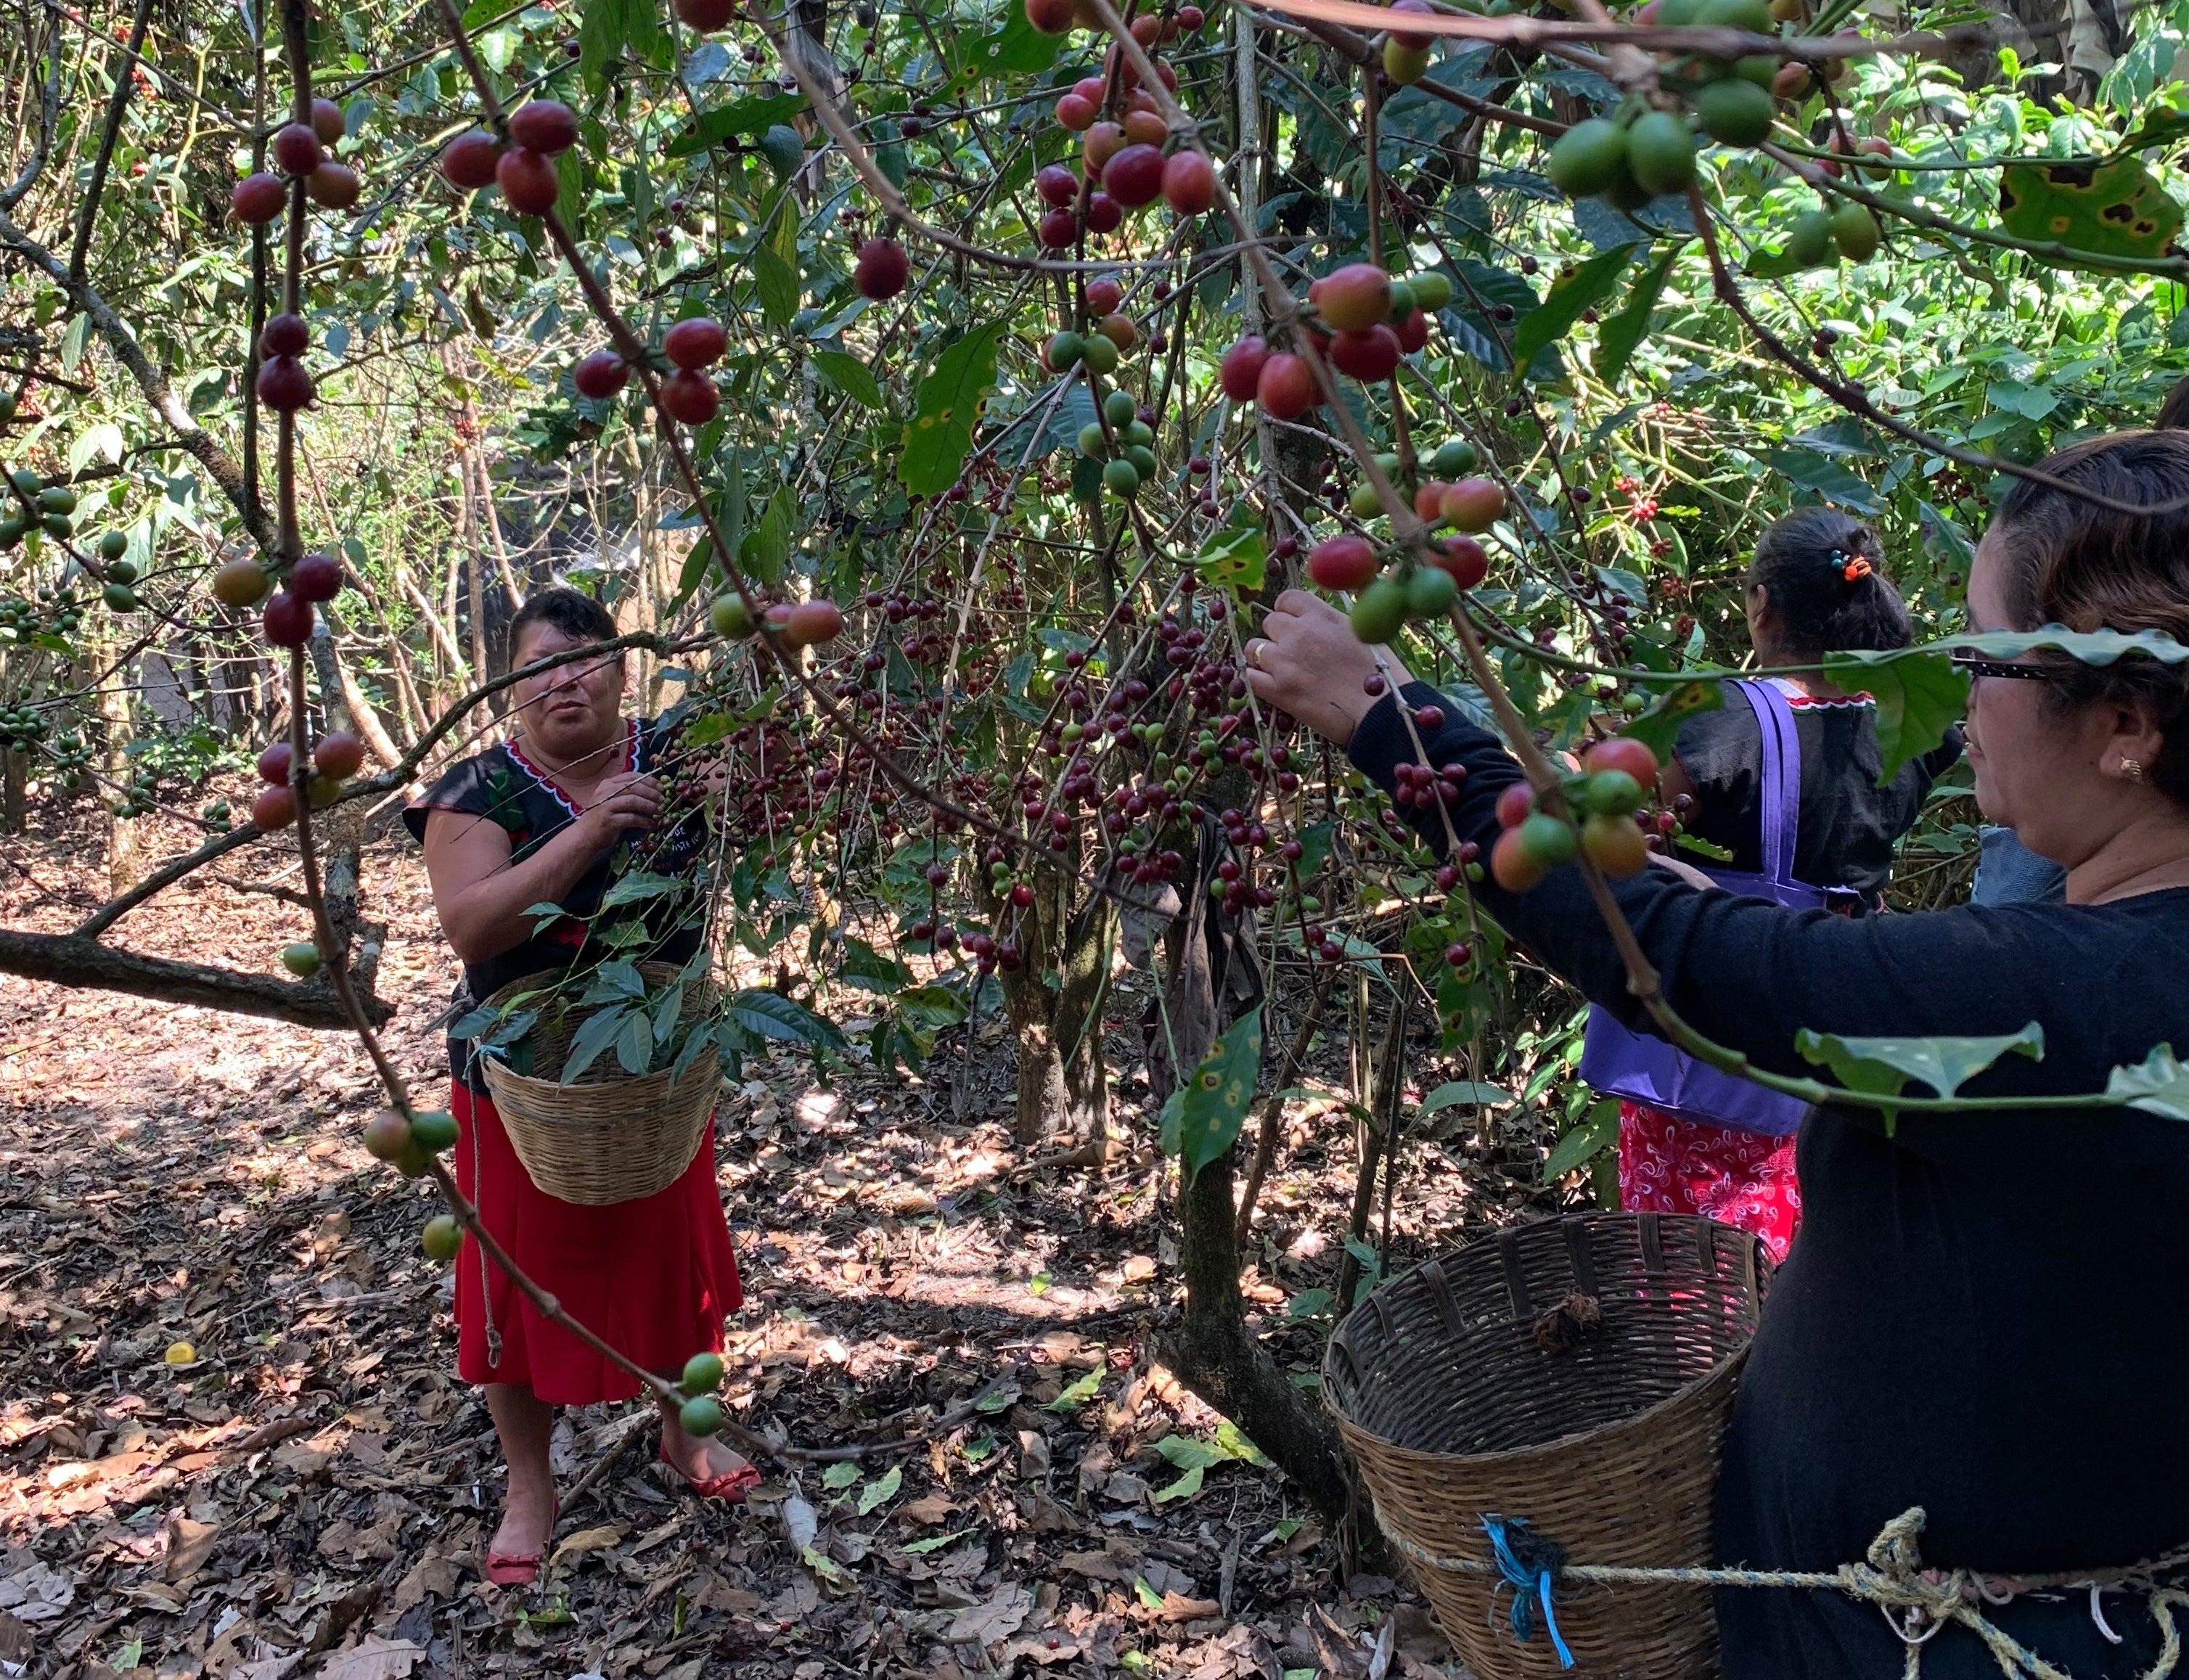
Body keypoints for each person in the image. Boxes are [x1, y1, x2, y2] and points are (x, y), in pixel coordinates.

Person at [1243, 429, 2189, 1679]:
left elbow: (1687, 952)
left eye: (1983, 650)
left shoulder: (2064, 1002)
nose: (1958, 685)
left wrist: (1388, 718)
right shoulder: (2103, 968)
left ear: (2123, 722)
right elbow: (1755, 938)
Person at [405, 587, 753, 1587]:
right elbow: (471, 924)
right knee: (510, 1278)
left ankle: (683, 1431)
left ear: (623, 668)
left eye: (586, 658)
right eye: (540, 665)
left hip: (657, 1071)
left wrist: (744, 772)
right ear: (508, 685)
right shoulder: (475, 789)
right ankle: (530, 1482)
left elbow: (773, 789)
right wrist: (592, 829)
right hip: (518, 1083)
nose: (565, 680)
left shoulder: (677, 753)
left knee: (670, 1261)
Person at [1602, 508, 1958, 1260]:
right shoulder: (1912, 721)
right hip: (1842, 1028)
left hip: (1718, 1032)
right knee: (1811, 1247)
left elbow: (1613, 816)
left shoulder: (1718, 719)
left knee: (1696, 1273)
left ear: (1762, 605)